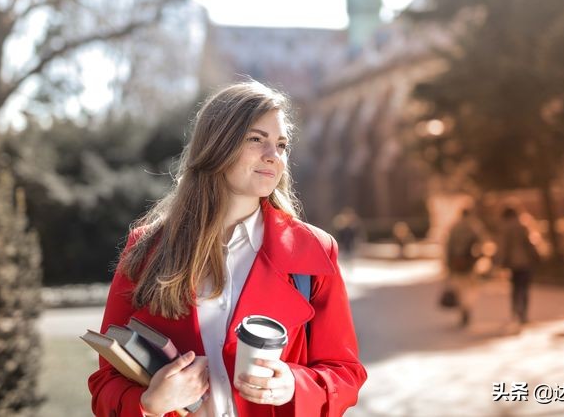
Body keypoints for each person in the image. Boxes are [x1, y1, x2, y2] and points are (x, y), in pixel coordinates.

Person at [88, 82, 367, 416]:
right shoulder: (146, 249)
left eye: (281, 144)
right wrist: (149, 404)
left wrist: (294, 384)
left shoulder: (314, 252)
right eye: (256, 139)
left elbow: (345, 373)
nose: (273, 156)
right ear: (216, 145)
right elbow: (106, 381)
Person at [495, 206, 540, 325]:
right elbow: (531, 243)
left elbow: (503, 247)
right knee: (524, 288)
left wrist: (500, 262)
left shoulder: (505, 227)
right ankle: (524, 313)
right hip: (525, 262)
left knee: (515, 288)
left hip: (512, 263)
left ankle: (515, 311)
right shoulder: (523, 224)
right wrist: (536, 256)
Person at [444, 208, 481, 327]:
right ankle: (467, 307)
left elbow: (448, 247)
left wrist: (448, 264)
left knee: (459, 287)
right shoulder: (474, 227)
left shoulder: (454, 227)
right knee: (469, 287)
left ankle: (462, 308)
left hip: (455, 263)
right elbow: (482, 243)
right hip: (469, 263)